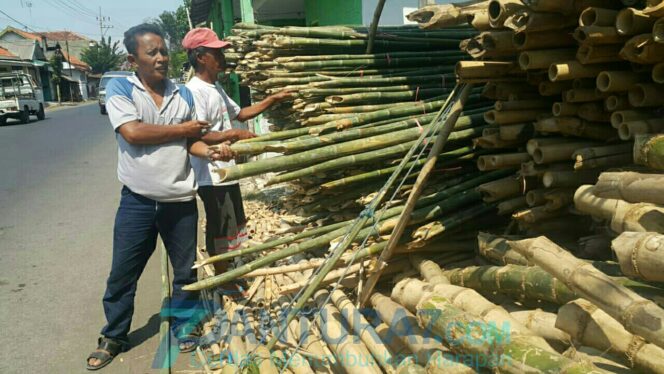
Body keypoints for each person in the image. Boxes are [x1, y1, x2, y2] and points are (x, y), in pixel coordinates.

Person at [86, 23, 231, 371]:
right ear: (133, 58)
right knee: (123, 273)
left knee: (185, 272)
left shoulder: (184, 95)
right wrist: (184, 130)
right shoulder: (122, 89)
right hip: (137, 201)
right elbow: (134, 133)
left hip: (180, 202)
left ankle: (183, 326)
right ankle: (114, 335)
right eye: (152, 52)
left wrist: (210, 152)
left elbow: (191, 142)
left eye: (164, 51)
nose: (162, 58)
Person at [182, 28, 292, 279]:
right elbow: (197, 136)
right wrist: (235, 135)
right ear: (201, 57)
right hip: (211, 173)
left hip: (227, 171)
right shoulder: (195, 91)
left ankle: (230, 268)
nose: (222, 56)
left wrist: (273, 99)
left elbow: (239, 114)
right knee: (219, 225)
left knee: (231, 223)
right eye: (216, 52)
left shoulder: (215, 86)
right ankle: (223, 276)